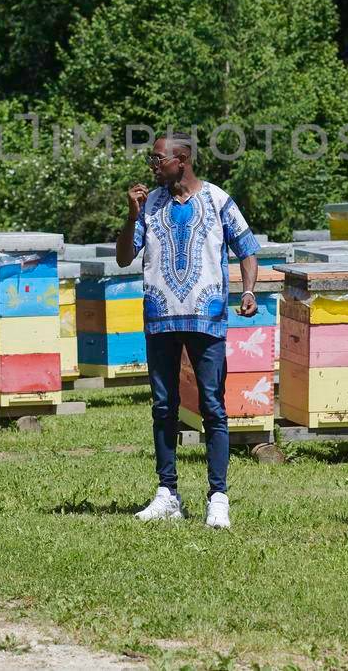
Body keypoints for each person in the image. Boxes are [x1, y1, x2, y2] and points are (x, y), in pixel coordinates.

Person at [116, 132, 260, 529]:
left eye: (158, 159)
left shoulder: (217, 200)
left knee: (212, 406)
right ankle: (168, 493)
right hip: (160, 318)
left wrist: (248, 291)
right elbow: (125, 258)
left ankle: (218, 496)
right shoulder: (150, 206)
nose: (153, 166)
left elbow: (247, 250)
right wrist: (131, 214)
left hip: (207, 318)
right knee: (163, 407)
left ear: (182, 159)